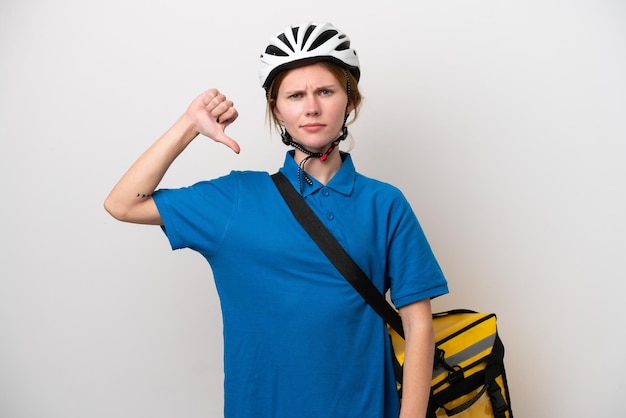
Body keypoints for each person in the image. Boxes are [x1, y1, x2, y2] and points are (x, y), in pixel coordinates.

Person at [104, 21, 449, 418]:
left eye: (325, 91)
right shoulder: (235, 199)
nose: (312, 107)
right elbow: (123, 203)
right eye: (296, 95)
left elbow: (419, 325)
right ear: (277, 109)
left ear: (350, 102)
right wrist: (189, 126)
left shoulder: (384, 203)